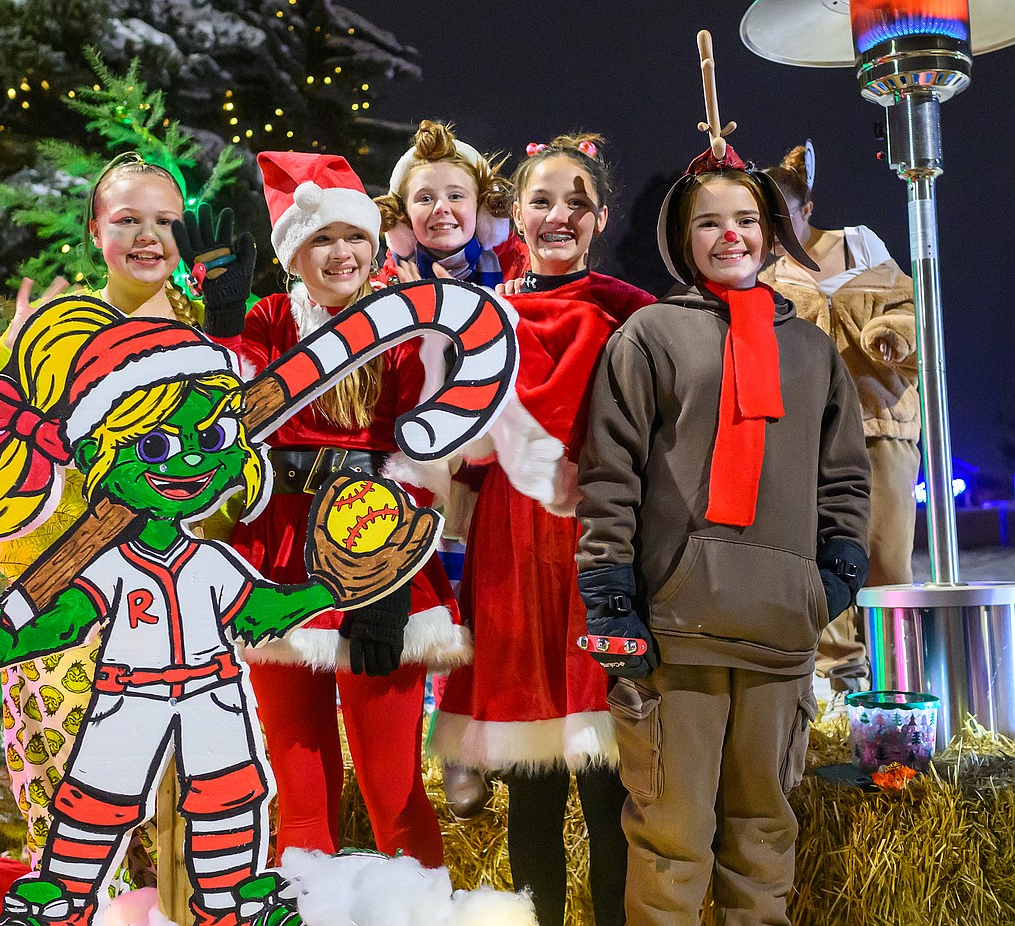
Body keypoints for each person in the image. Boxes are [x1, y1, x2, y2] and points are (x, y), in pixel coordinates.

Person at [574, 135, 871, 926]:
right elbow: (610, 474)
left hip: (780, 629)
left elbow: (844, 475)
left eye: (746, 219)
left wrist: (833, 575)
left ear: (772, 232)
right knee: (671, 841)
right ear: (682, 239)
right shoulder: (649, 338)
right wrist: (609, 594)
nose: (730, 235)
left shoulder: (811, 349)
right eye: (710, 222)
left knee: (764, 833)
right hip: (679, 631)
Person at [0, 152, 252, 873]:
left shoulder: (207, 330)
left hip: (179, 607)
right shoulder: (55, 330)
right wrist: (10, 359)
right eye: (127, 220)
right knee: (67, 815)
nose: (148, 237)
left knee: (191, 817)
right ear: (94, 233)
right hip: (64, 594)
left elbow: (237, 469)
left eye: (164, 221)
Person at [215, 151, 469, 867]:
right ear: (295, 252)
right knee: (299, 790)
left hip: (376, 545)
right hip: (277, 556)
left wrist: (386, 579)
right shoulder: (268, 320)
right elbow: (220, 416)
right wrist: (222, 321)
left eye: (354, 236)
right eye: (322, 239)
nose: (342, 253)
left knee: (392, 789)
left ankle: (421, 916)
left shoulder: (406, 325)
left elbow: (423, 454)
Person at [431, 134, 654, 926]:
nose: (559, 215)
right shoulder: (478, 320)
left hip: (598, 548)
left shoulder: (635, 317)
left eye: (577, 203)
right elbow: (445, 441)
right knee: (531, 788)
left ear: (599, 218)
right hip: (510, 552)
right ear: (515, 212)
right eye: (542, 200)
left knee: (609, 791)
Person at [761, 141, 920, 692]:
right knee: (820, 556)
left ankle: (902, 679)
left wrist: (893, 335)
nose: (775, 227)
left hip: (880, 424)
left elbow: (912, 309)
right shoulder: (764, 276)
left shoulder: (859, 246)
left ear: (807, 208)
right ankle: (840, 677)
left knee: (885, 559)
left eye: (783, 214)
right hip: (809, 438)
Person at [374, 120, 528, 288]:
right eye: (425, 199)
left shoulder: (525, 274)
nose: (441, 208)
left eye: (455, 196)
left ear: (482, 209)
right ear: (403, 215)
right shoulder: (379, 294)